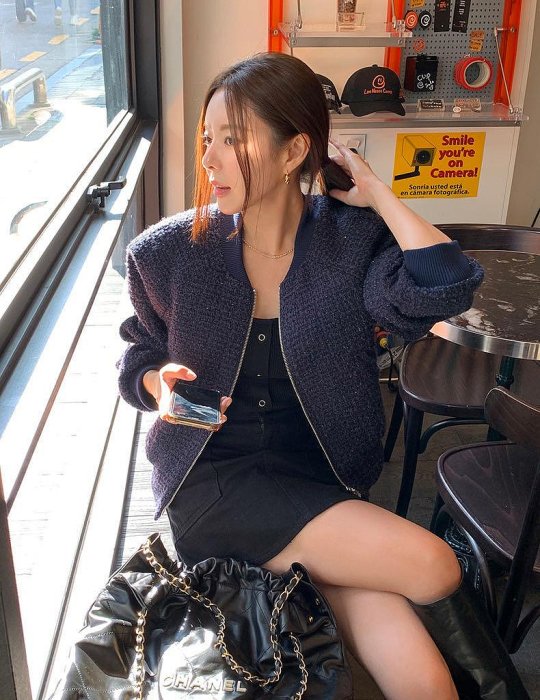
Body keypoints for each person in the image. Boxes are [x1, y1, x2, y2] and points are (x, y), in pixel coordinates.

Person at [117, 52, 529, 700]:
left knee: (423, 675)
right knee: (433, 564)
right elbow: (139, 352)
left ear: (294, 150)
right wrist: (156, 385)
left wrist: (378, 194)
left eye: (233, 140)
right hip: (214, 479)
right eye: (207, 139)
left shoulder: (350, 241)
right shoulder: (169, 253)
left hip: (321, 475)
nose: (210, 159)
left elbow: (447, 284)